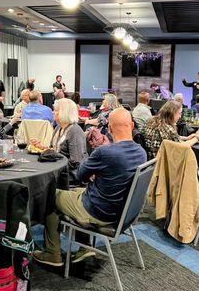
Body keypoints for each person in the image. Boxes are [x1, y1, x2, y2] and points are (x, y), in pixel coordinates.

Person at [33, 108, 146, 266]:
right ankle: (85, 248)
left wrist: (97, 155)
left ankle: (53, 253)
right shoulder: (141, 152)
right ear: (132, 125)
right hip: (122, 212)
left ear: (110, 129)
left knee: (50, 195)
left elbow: (80, 175)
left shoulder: (104, 153)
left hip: (97, 211)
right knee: (70, 192)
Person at [50, 98, 87, 182]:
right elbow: (52, 148)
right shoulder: (58, 127)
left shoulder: (75, 131)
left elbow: (75, 161)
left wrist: (54, 167)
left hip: (69, 176)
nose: (53, 112)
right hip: (58, 169)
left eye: (55, 110)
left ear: (64, 112)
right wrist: (41, 147)